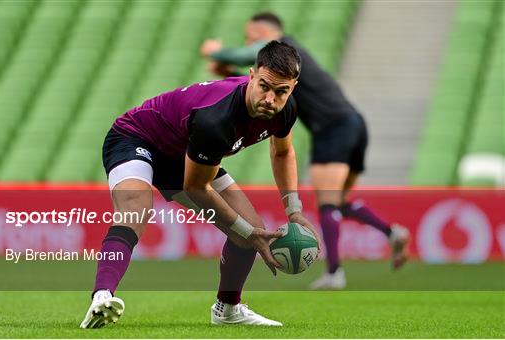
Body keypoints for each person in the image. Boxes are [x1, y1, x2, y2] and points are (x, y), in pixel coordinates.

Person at [80, 41, 321, 329]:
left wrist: (293, 210)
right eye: (265, 86)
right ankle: (102, 297)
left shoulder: (286, 109)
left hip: (186, 152)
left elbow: (282, 152)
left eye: (281, 91)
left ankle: (228, 309)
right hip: (136, 138)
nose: (271, 98)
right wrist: (248, 233)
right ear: (252, 75)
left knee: (250, 225)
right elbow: (197, 188)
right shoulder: (216, 119)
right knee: (135, 210)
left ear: (293, 87)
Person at [200, 12, 410, 290]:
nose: (249, 42)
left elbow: (247, 59)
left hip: (332, 128)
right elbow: (260, 88)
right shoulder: (282, 72)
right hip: (352, 124)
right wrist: (227, 73)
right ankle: (392, 232)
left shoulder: (284, 49)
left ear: (264, 32)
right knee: (341, 202)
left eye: (251, 36)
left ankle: (335, 273)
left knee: (327, 203)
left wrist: (218, 52)